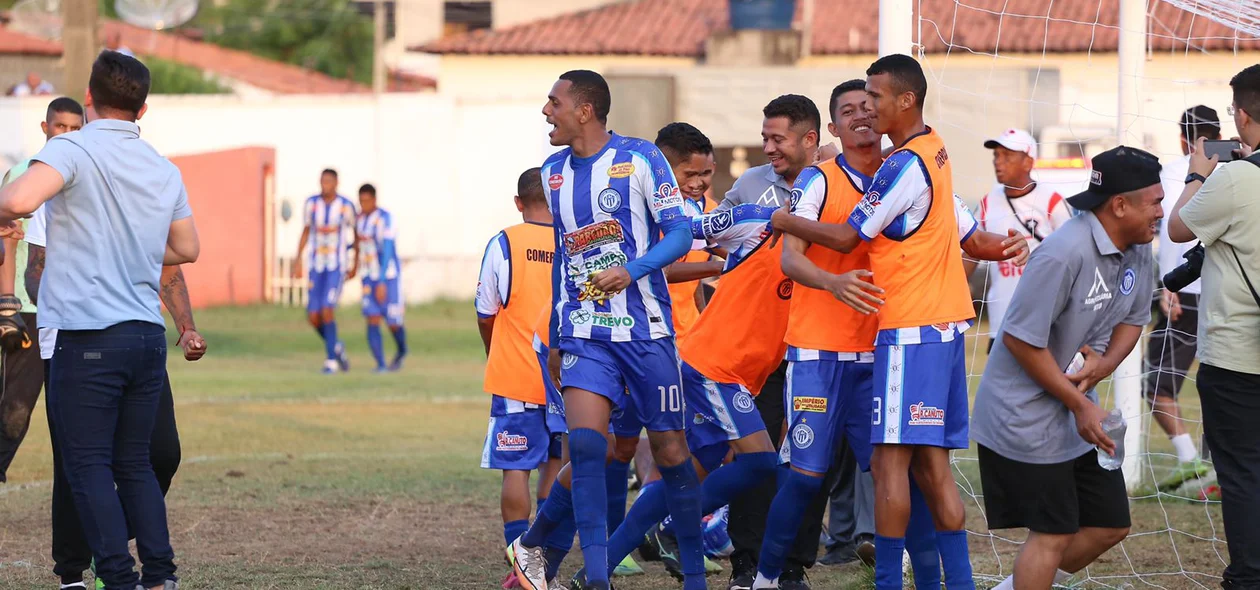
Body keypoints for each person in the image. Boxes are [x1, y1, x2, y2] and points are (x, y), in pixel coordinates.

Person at [761, 78, 1027, 590]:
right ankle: (767, 576)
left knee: (899, 472)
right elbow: (790, 258)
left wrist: (1007, 245)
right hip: (821, 351)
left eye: (870, 102)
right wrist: (832, 281)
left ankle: (916, 578)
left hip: (887, 348)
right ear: (834, 129)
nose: (864, 113)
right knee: (808, 475)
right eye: (851, 109)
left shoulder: (906, 169)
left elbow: (968, 234)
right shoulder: (820, 180)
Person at [0, 50, 200, 590]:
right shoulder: (161, 165)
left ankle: (118, 578)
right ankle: (160, 576)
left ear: (89, 99)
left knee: (86, 468)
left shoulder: (74, 147)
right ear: (143, 107)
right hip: (145, 337)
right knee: (134, 466)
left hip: (87, 338)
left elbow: (17, 198)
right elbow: (187, 247)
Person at [510, 69, 705, 590]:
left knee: (671, 453)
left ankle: (693, 576)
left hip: (647, 333)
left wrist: (633, 269)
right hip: (584, 334)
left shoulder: (640, 159)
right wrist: (555, 332)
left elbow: (681, 233)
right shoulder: (553, 172)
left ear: (585, 110)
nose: (545, 111)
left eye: (553, 102)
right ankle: (597, 579)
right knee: (588, 447)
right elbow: (562, 259)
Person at [973, 145, 1162, 590]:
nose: (1161, 210)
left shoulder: (1137, 249)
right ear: (1119, 205)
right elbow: (1019, 340)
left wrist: (1102, 368)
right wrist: (1080, 404)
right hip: (1024, 417)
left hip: (1075, 411)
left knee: (1109, 525)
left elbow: (1134, 319)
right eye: (1153, 201)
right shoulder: (1063, 252)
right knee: (1053, 533)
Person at [587, 201, 784, 589]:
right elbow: (678, 236)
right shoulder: (755, 219)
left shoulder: (828, 243)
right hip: (709, 366)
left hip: (733, 372)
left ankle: (593, 572)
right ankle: (673, 524)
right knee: (760, 461)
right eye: (769, 137)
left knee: (685, 475)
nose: (698, 182)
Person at [716, 94, 827, 590]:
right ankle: (746, 562)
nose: (768, 149)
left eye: (777, 139)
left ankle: (793, 565)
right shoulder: (749, 185)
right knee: (754, 456)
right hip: (756, 348)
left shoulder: (836, 181)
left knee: (808, 456)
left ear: (809, 139)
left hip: (814, 342)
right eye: (764, 138)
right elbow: (717, 241)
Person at [1167, 64, 1260, 590]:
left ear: (1242, 116)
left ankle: (1248, 577)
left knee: (1243, 472)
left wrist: (1200, 172)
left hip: (1237, 355)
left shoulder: (1236, 176)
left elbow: (1179, 227)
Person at [475, 167, 562, 585]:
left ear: (518, 203)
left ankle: (518, 557)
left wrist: (495, 351)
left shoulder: (505, 241)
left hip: (517, 375)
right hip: (568, 376)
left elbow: (485, 311)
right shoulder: (572, 239)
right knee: (556, 465)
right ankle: (539, 554)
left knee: (516, 469)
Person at [0, 96, 82, 484]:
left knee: (29, 412)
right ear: (45, 128)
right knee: (13, 409)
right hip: (19, 306)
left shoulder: (85, 176)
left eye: (74, 128)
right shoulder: (20, 174)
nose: (66, 134)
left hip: (63, 310)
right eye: (59, 126)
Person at [1146, 106, 1219, 492]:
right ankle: (1217, 468)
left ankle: (1193, 462)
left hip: (1186, 294)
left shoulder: (1175, 172)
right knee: (1225, 382)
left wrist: (1167, 286)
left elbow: (1174, 229)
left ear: (1182, 138)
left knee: (1155, 384)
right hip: (1229, 294)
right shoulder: (1237, 170)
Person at [976, 128, 1072, 339]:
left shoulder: (1052, 201)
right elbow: (968, 254)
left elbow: (1074, 254)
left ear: (1028, 162)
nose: (998, 162)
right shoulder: (987, 203)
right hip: (1000, 323)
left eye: (1007, 156)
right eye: (996, 155)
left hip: (1044, 322)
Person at [294, 168, 358, 374]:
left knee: (327, 310)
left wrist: (355, 263)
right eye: (322, 181)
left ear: (336, 183)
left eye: (329, 181)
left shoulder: (346, 206)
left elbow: (355, 233)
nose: (325, 185)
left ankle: (331, 360)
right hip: (316, 265)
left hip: (335, 266)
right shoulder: (311, 204)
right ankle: (336, 346)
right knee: (313, 316)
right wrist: (298, 259)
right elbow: (306, 231)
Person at [356, 183, 407, 372]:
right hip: (368, 276)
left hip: (389, 277)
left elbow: (386, 250)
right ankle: (381, 364)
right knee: (372, 318)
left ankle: (402, 350)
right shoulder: (359, 220)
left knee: (393, 322)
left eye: (367, 201)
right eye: (361, 201)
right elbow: (357, 245)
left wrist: (383, 281)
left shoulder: (386, 219)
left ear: (374, 200)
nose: (364, 205)